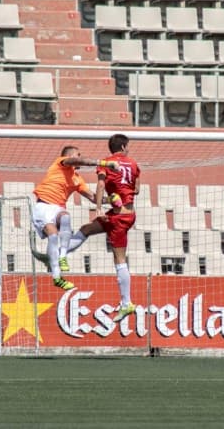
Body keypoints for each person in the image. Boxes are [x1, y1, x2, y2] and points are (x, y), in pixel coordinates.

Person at [57, 134, 140, 322]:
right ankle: (59, 253)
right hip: (125, 213)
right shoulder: (134, 164)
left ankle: (126, 303)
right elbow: (137, 190)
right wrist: (118, 195)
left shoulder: (106, 163)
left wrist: (99, 208)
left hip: (118, 217)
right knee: (86, 229)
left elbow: (101, 184)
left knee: (119, 260)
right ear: (124, 147)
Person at [32, 145, 118, 291]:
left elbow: (93, 197)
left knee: (65, 217)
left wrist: (110, 200)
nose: (80, 157)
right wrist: (103, 163)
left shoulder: (77, 179)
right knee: (53, 236)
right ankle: (57, 277)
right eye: (78, 155)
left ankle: (63, 256)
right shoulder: (60, 163)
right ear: (70, 156)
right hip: (43, 206)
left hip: (58, 208)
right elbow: (78, 161)